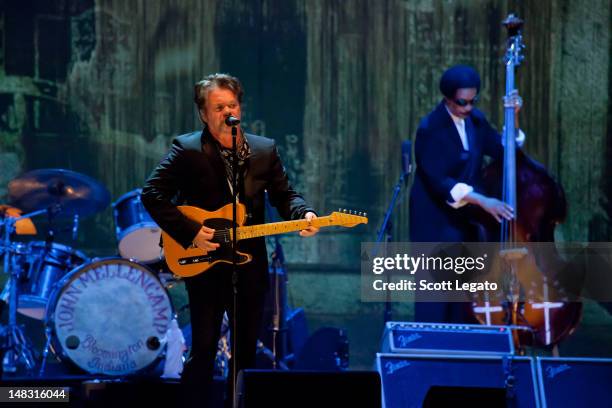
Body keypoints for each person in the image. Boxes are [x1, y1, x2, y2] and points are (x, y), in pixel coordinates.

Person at [141, 73, 318, 407]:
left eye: (232, 105)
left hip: (249, 263)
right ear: (203, 114)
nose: (227, 112)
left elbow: (284, 195)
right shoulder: (187, 149)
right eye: (218, 107)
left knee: (246, 351)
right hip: (203, 261)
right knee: (204, 347)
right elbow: (152, 194)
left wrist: (303, 214)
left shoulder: (263, 150)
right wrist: (190, 230)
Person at [409, 64, 522, 323]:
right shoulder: (430, 128)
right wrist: (483, 201)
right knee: (435, 295)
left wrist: (513, 117)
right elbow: (440, 181)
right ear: (448, 98)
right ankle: (429, 356)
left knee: (463, 296)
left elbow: (504, 149)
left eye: (473, 101)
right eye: (462, 102)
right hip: (434, 221)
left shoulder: (476, 120)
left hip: (464, 220)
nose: (468, 108)